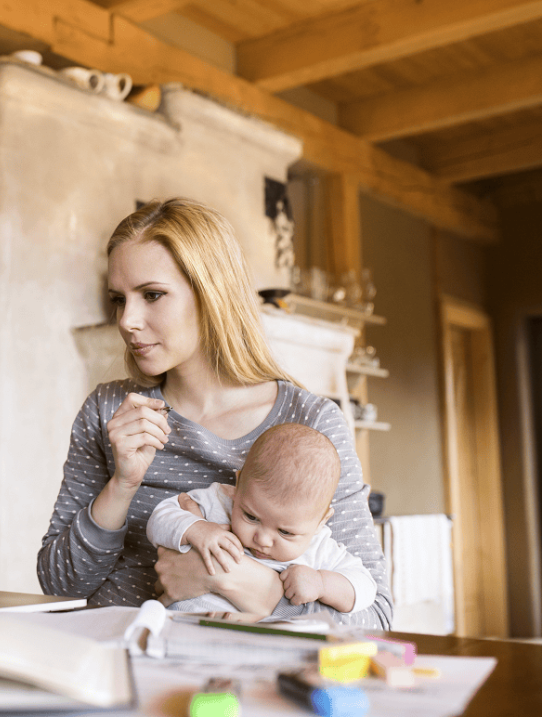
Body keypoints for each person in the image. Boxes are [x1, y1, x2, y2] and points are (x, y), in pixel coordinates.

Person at [35, 198, 391, 629]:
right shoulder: (109, 409)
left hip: (243, 670)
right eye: (118, 299)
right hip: (115, 653)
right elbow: (60, 584)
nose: (127, 320)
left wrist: (245, 585)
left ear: (211, 294)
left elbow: (378, 616)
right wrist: (123, 483)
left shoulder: (310, 422)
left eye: (152, 295)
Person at [147, 422, 377, 616]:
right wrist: (196, 528)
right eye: (251, 517)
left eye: (285, 532)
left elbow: (366, 588)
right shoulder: (219, 503)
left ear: (321, 521)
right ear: (238, 487)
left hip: (255, 645)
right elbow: (159, 518)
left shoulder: (320, 547)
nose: (263, 540)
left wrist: (322, 584)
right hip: (181, 627)